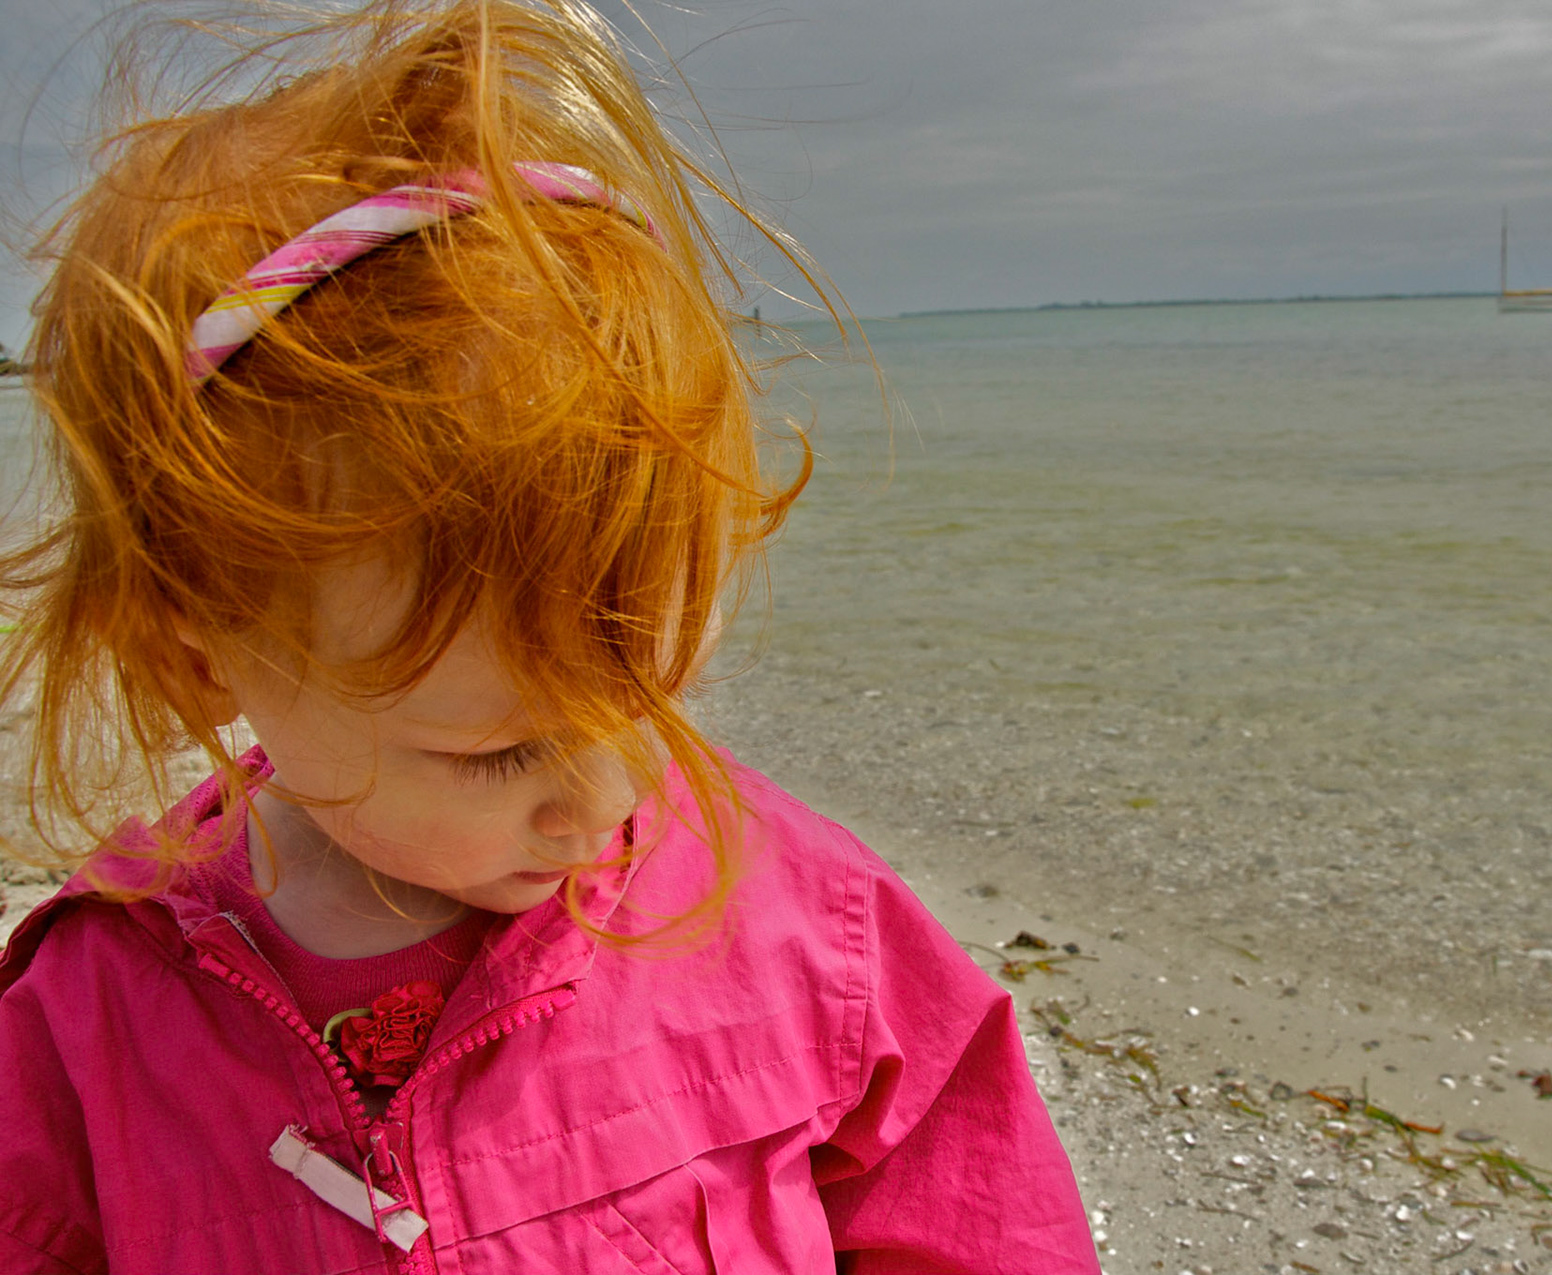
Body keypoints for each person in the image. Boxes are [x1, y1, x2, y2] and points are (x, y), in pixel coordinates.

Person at [0, 2, 1100, 1270]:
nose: (605, 803)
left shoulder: (803, 923)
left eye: (652, 692)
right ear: (197, 652)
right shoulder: (92, 1022)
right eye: (502, 753)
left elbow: (980, 1210)